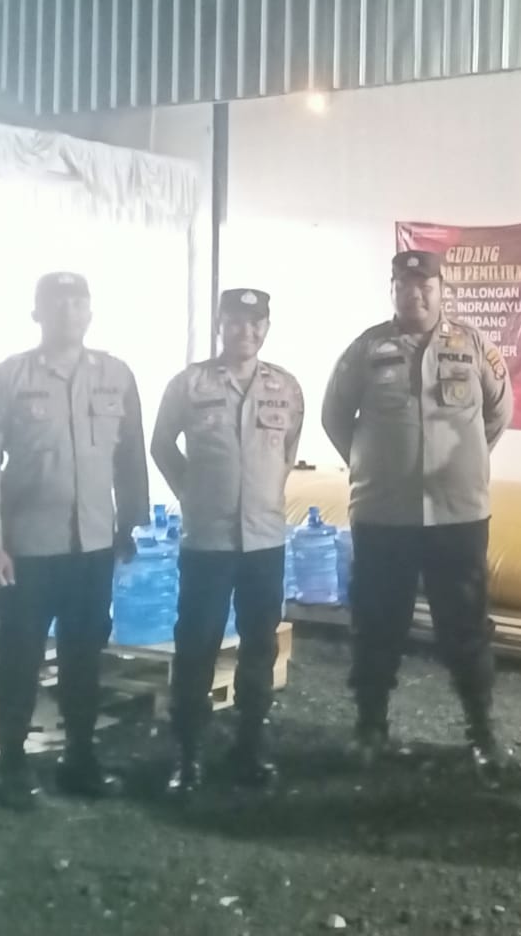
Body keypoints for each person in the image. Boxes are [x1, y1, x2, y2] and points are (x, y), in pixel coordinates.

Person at [0, 272, 149, 810]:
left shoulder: (116, 376)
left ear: (90, 312)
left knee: (84, 654)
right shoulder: (8, 377)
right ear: (37, 313)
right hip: (28, 548)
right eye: (57, 302)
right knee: (19, 655)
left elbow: (130, 454)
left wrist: (130, 522)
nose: (69, 310)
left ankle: (80, 758)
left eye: (78, 301)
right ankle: (11, 764)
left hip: (93, 545)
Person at [320, 249, 514, 777]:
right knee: (376, 622)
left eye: (426, 286)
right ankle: (370, 726)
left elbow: (499, 411)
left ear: (441, 289)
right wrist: (375, 465)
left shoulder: (473, 346)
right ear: (393, 290)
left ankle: (480, 731)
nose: (416, 295)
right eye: (405, 286)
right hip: (384, 515)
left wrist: (466, 462)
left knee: (466, 625)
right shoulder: (366, 349)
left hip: (458, 514)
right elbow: (334, 416)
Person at [151, 288, 304, 796]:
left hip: (264, 541)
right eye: (237, 322)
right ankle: (187, 755)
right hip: (208, 541)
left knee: (260, 646)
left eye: (256, 323)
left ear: (267, 327)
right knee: (197, 645)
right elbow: (161, 444)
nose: (247, 331)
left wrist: (264, 493)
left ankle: (249, 748)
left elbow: (287, 451)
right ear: (220, 325)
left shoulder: (286, 387)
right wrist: (190, 491)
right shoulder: (189, 384)